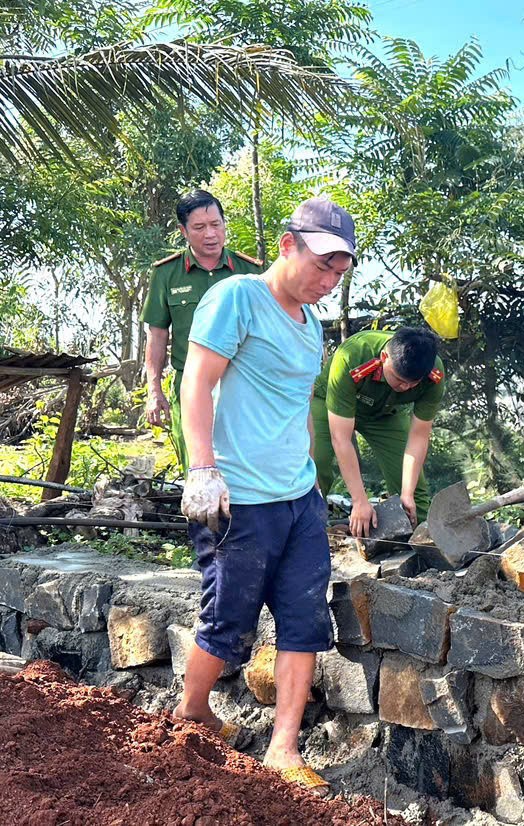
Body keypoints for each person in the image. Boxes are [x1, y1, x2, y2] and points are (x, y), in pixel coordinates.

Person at [175, 197, 355, 796]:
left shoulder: (313, 328)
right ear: (288, 245)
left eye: (339, 271)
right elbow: (196, 382)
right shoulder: (237, 298)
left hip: (298, 498)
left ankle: (284, 748)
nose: (328, 280)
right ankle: (190, 709)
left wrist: (313, 480)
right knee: (228, 622)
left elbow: (298, 407)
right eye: (322, 264)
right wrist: (202, 470)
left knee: (305, 621)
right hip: (240, 497)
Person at [141, 190, 264, 471]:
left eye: (216, 225)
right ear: (183, 230)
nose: (210, 234)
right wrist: (154, 390)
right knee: (199, 467)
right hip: (192, 383)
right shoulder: (167, 274)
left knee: (247, 465)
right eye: (199, 227)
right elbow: (157, 335)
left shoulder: (250, 271)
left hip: (243, 382)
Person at [312, 326, 445, 535]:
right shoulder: (353, 354)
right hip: (330, 405)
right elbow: (341, 438)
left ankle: (421, 545)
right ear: (384, 357)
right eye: (399, 379)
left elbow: (419, 435)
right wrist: (359, 500)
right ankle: (310, 533)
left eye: (413, 384)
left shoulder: (433, 373)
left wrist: (407, 493)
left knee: (412, 486)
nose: (405, 388)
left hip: (384, 413)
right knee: (315, 463)